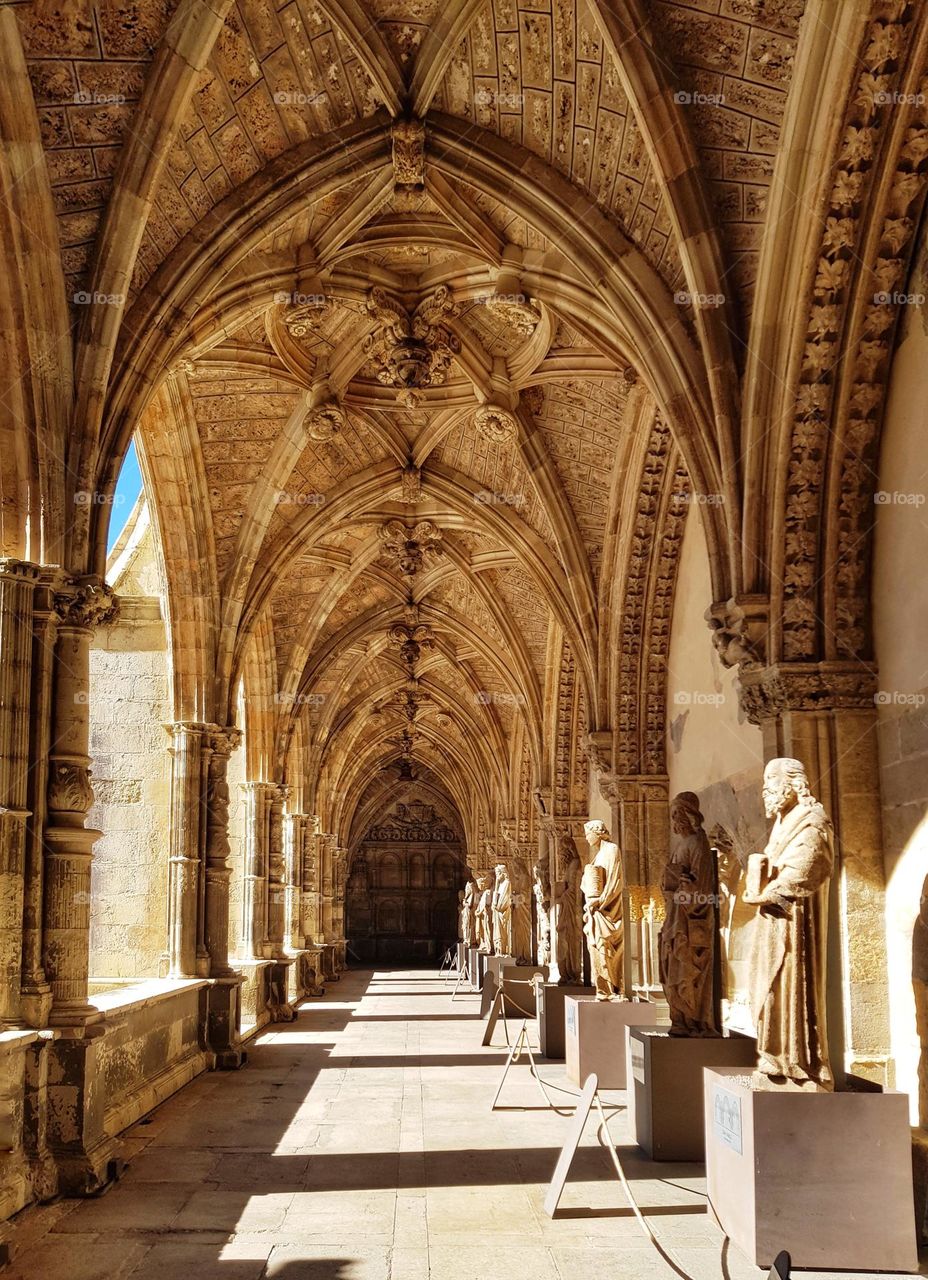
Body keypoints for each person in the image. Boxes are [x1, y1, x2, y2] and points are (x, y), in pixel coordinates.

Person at [743, 758, 834, 1089]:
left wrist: (770, 891)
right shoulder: (784, 821)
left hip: (795, 922)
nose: (766, 789)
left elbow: (812, 866)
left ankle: (798, 1061)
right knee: (769, 988)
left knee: (788, 985)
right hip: (774, 918)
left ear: (794, 784)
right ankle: (773, 1054)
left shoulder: (812, 821)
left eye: (772, 781)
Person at [659, 792, 719, 1035]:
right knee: (673, 967)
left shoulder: (697, 843)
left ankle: (692, 1018)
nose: (674, 819)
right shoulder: (682, 845)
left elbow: (703, 888)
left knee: (685, 969)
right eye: (672, 814)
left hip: (687, 919)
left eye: (678, 813)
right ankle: (681, 1018)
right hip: (675, 915)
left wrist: (684, 885)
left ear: (689, 815)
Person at [581, 819, 625, 999]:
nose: (586, 837)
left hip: (608, 911)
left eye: (587, 833)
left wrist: (600, 901)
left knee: (604, 946)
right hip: (596, 912)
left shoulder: (611, 850)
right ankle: (603, 989)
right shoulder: (598, 854)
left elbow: (615, 881)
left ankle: (613, 988)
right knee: (596, 949)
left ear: (596, 832)